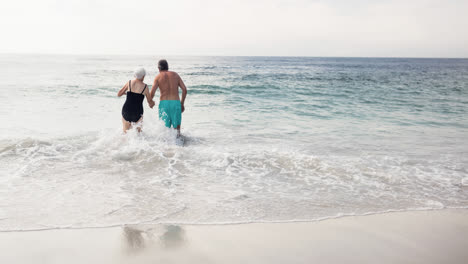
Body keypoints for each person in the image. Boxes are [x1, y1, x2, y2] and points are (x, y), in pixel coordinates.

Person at [150, 59, 187, 136]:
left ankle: (166, 147)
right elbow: (184, 89)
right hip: (176, 103)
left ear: (159, 68)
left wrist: (151, 102)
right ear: (167, 67)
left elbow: (152, 93)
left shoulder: (158, 77)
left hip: (164, 104)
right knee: (177, 130)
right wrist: (182, 104)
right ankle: (178, 146)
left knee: (165, 130)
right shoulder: (175, 75)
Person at [117, 68, 155, 133]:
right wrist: (153, 103)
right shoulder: (145, 87)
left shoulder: (129, 82)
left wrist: (125, 93)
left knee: (125, 134)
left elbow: (119, 94)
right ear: (143, 76)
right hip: (137, 112)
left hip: (126, 110)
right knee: (138, 135)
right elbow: (150, 102)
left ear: (135, 75)